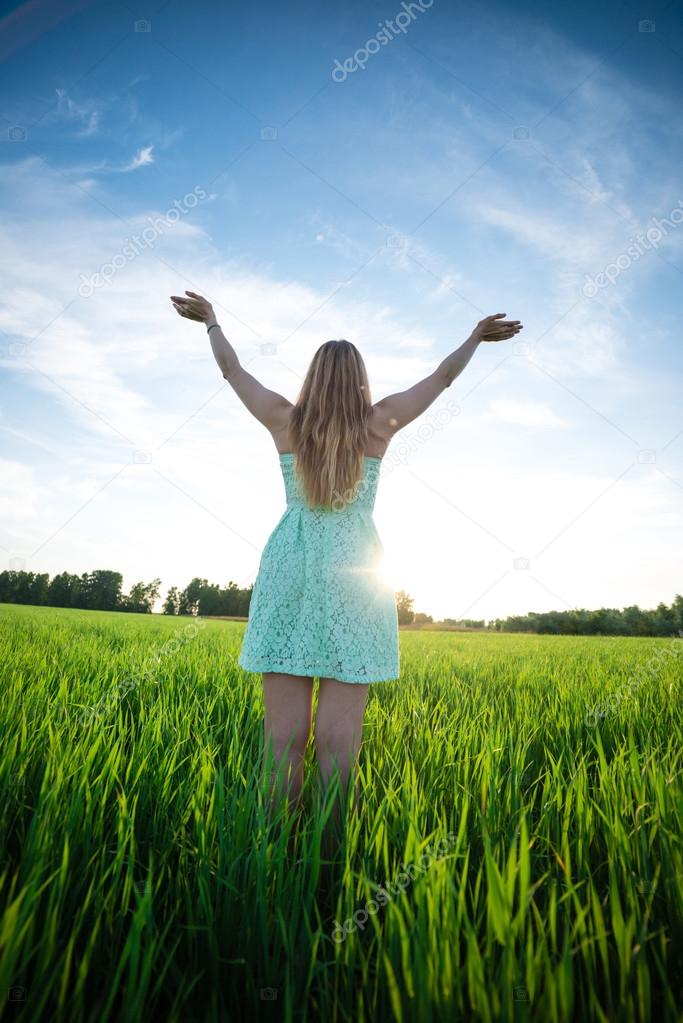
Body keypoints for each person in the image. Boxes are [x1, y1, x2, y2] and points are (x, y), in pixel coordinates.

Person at [170, 291, 522, 818]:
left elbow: (232, 370)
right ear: (359, 378)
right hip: (356, 579)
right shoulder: (380, 424)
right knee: (340, 752)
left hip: (292, 567)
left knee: (281, 746)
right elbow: (442, 378)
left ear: (312, 377)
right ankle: (330, 865)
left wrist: (212, 322)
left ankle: (276, 863)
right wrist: (474, 337)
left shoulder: (283, 420)